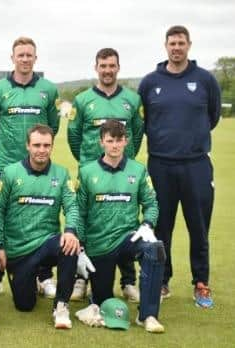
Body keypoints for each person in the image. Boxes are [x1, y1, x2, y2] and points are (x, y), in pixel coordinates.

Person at [138, 25, 221, 308]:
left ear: (189, 45)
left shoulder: (205, 80)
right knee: (161, 227)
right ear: (165, 46)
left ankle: (201, 284)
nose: (177, 48)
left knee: (199, 228)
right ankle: (162, 281)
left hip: (196, 165)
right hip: (160, 165)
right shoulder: (150, 82)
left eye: (181, 43)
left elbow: (212, 117)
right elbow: (145, 121)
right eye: (172, 43)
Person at [0, 36, 60, 297]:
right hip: (6, 164)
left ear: (35, 58)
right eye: (21, 55)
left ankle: (44, 276)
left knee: (42, 216)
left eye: (29, 55)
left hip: (39, 165)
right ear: (12, 57)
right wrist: (8, 152)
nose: (25, 59)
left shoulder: (48, 90)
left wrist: (36, 150)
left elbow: (52, 126)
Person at [67, 48, 144, 302]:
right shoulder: (83, 100)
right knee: (88, 222)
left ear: (118, 67)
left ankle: (128, 281)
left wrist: (126, 159)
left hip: (123, 171)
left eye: (112, 65)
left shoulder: (132, 100)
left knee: (125, 219)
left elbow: (137, 132)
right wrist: (88, 162)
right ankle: (82, 277)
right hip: (92, 172)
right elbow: (74, 136)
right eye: (103, 66)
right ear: (96, 67)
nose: (107, 70)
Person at [75, 120, 165, 333]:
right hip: (99, 245)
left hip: (129, 238)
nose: (114, 145)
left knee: (155, 249)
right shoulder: (87, 172)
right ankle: (93, 293)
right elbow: (78, 212)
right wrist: (80, 246)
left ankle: (148, 315)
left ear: (126, 141)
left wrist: (147, 224)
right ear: (101, 143)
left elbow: (152, 203)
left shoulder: (138, 170)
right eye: (110, 141)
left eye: (118, 140)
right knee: (103, 303)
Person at [0, 124, 79, 329]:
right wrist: (0, 245)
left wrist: (70, 230)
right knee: (24, 305)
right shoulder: (10, 173)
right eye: (37, 145)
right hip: (19, 250)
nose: (42, 150)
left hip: (48, 243)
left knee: (70, 245)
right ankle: (34, 279)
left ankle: (61, 306)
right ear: (28, 146)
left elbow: (72, 206)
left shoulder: (62, 174)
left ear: (52, 147)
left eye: (46, 145)